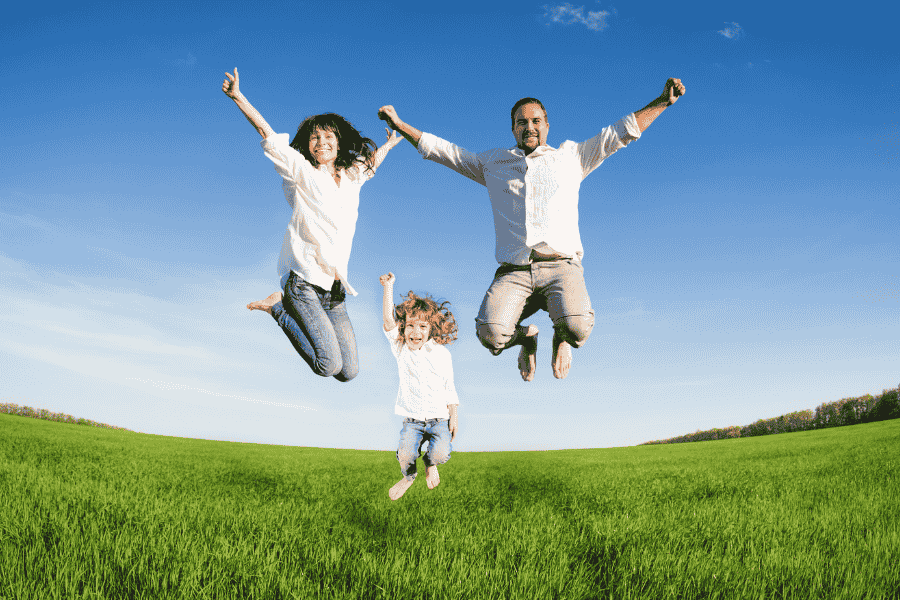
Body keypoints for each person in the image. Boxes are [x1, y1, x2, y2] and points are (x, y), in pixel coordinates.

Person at [378, 78, 686, 382]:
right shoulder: (493, 163)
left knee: (578, 327)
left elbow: (619, 133)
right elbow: (445, 152)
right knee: (491, 335)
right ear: (513, 128)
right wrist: (399, 123)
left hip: (561, 268)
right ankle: (527, 338)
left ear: (547, 125)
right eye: (521, 122)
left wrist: (662, 102)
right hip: (515, 272)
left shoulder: (572, 156)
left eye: (536, 121)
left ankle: (562, 337)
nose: (529, 127)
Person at [222, 68, 403, 381]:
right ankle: (278, 307)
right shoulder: (300, 171)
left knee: (348, 373)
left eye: (328, 136)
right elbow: (267, 134)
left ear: (338, 142)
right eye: (315, 137)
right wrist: (239, 97)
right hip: (304, 282)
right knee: (327, 366)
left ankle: (286, 306)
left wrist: (387, 146)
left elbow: (370, 165)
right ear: (307, 145)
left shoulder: (351, 176)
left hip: (334, 291)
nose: (321, 142)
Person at [379, 272, 459, 501]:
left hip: (439, 418)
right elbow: (387, 321)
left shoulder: (442, 354)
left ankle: (430, 463)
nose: (416, 332)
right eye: (411, 326)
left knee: (442, 452)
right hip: (412, 420)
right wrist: (388, 287)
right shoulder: (401, 348)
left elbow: (449, 386)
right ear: (403, 328)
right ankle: (408, 476)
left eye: (423, 326)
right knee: (405, 454)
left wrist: (454, 415)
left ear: (431, 329)